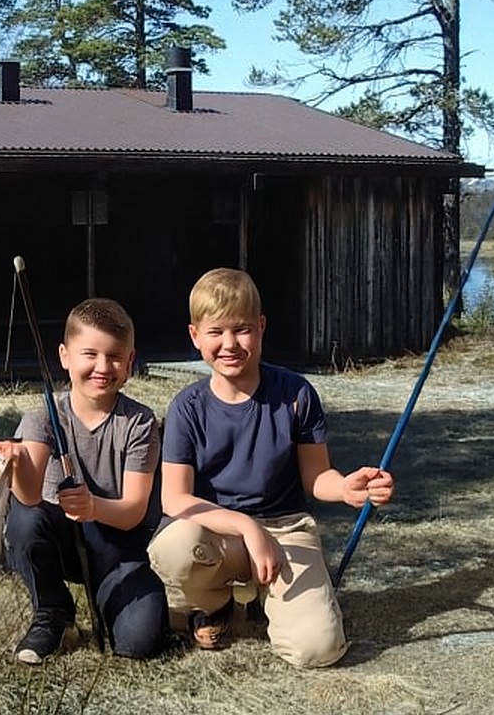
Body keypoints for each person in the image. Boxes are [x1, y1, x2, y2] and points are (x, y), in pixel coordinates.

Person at [147, 267, 395, 668]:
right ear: (195, 336)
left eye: (242, 329)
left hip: (285, 530)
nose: (230, 344)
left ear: (261, 328)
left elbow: (317, 477)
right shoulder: (186, 407)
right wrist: (247, 528)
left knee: (318, 649)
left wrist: (348, 488)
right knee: (174, 548)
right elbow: (175, 498)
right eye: (216, 332)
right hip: (215, 534)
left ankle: (274, 602)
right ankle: (216, 605)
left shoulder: (296, 393)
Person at [0, 297, 167, 664]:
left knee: (137, 643)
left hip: (118, 547)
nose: (102, 367)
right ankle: (53, 611)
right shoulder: (41, 418)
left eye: (115, 357)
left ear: (130, 362)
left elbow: (133, 510)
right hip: (60, 541)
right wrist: (16, 462)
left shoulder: (140, 423)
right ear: (65, 356)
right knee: (23, 519)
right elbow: (31, 497)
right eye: (90, 354)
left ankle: (122, 598)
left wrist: (93, 506)